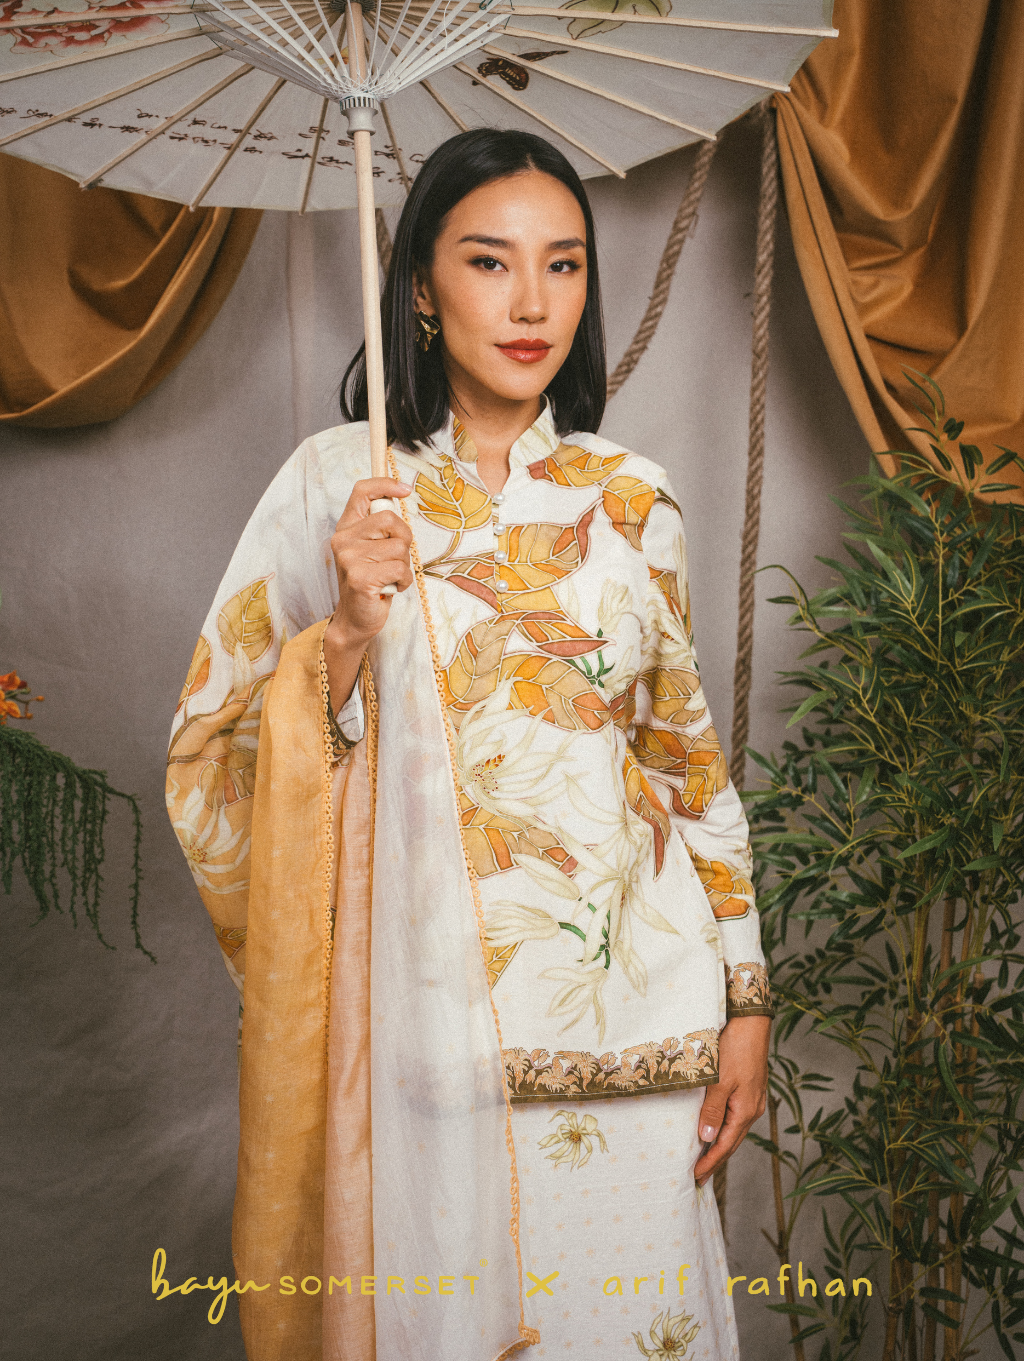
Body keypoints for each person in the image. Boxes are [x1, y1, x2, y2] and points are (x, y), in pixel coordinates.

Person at [167, 128, 772, 1361]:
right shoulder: (334, 488)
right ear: (418, 290)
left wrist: (746, 1001)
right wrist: (344, 632)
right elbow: (210, 758)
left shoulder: (631, 497)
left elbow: (683, 766)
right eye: (490, 262)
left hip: (640, 1030)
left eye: (563, 263)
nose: (533, 301)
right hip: (426, 1035)